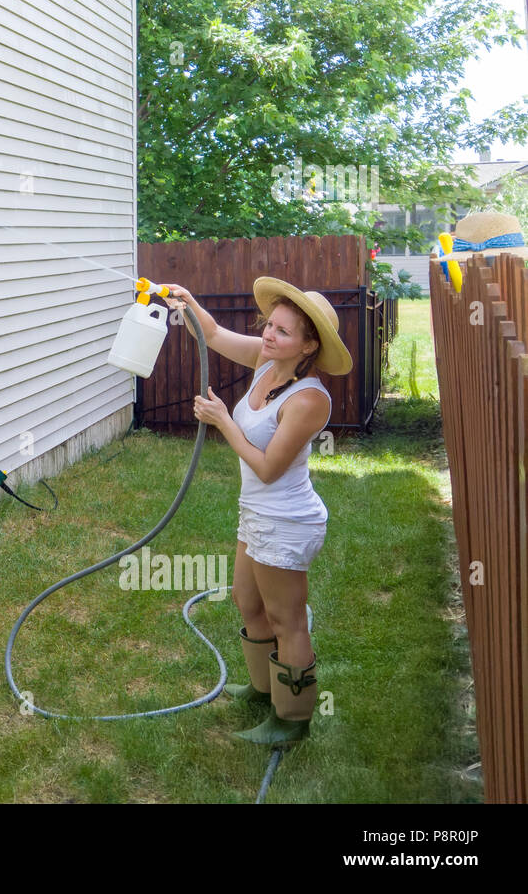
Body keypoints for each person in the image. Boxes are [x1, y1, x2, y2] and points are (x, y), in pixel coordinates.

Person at [161, 277, 353, 745]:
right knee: (248, 603)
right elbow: (212, 334)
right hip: (256, 514)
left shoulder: (309, 399)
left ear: (309, 346)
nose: (269, 335)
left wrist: (224, 420)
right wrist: (187, 300)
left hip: (286, 520)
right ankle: (264, 689)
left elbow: (268, 469)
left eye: (284, 332)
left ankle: (291, 720)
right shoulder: (266, 362)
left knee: (287, 619)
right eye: (270, 325)